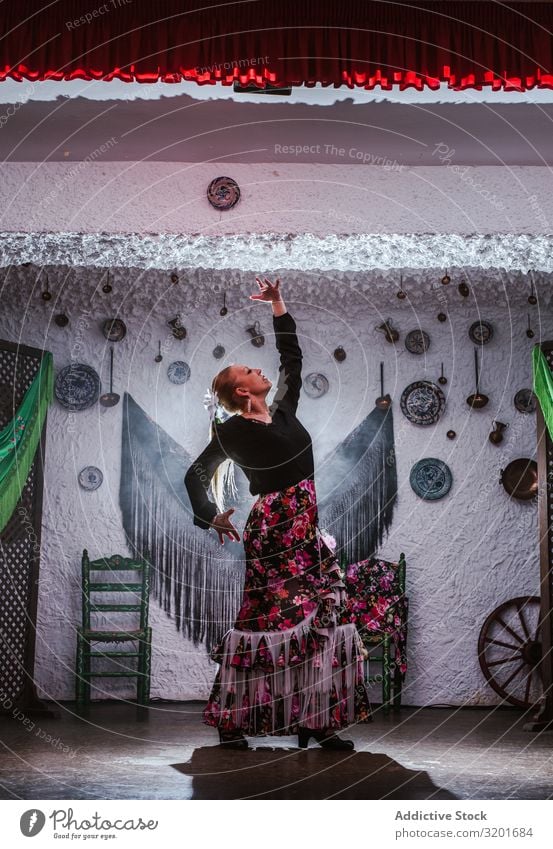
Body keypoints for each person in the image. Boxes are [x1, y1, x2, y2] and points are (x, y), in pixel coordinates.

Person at [184, 277, 372, 750]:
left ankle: (316, 719)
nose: (259, 370)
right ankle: (232, 722)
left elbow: (292, 360)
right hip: (272, 532)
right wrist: (211, 515)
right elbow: (195, 474)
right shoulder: (230, 432)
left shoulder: (285, 411)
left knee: (321, 615)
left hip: (306, 527)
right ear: (241, 390)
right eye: (249, 369)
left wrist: (279, 306)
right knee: (266, 621)